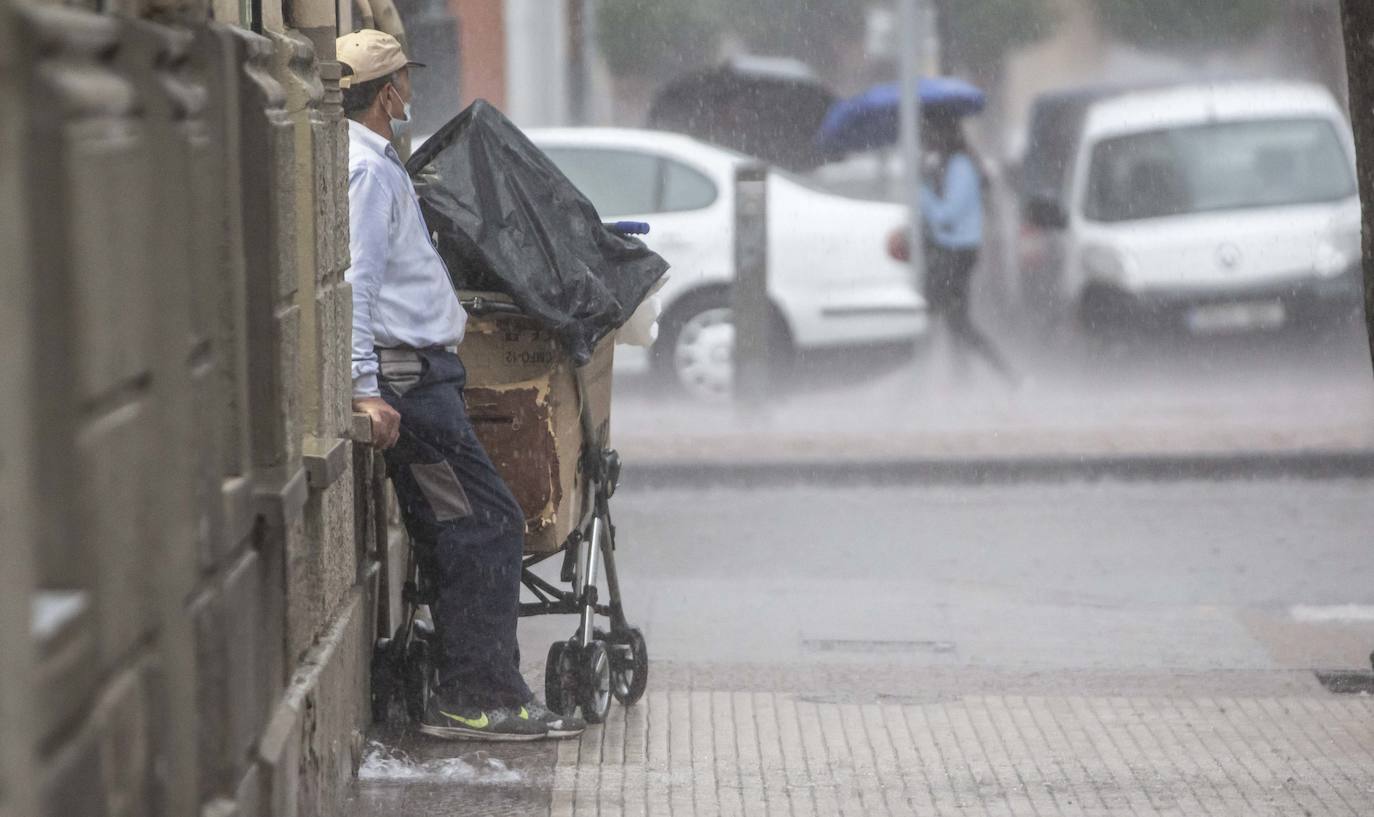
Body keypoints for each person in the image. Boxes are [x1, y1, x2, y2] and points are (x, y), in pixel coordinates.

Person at [338, 29, 583, 741]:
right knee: (486, 523)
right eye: (404, 84)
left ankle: (484, 687)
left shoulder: (375, 164)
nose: (411, 94)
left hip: (420, 379)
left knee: (463, 528)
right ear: (388, 94)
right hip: (409, 387)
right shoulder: (368, 172)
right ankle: (477, 696)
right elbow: (356, 283)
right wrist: (365, 388)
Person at [891, 110, 1020, 387]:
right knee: (955, 323)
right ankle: (997, 378)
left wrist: (921, 190)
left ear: (942, 135)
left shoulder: (961, 167)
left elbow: (946, 215)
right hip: (951, 253)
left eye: (929, 135)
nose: (926, 142)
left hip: (957, 255)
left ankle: (914, 385)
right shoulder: (947, 166)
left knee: (934, 318)